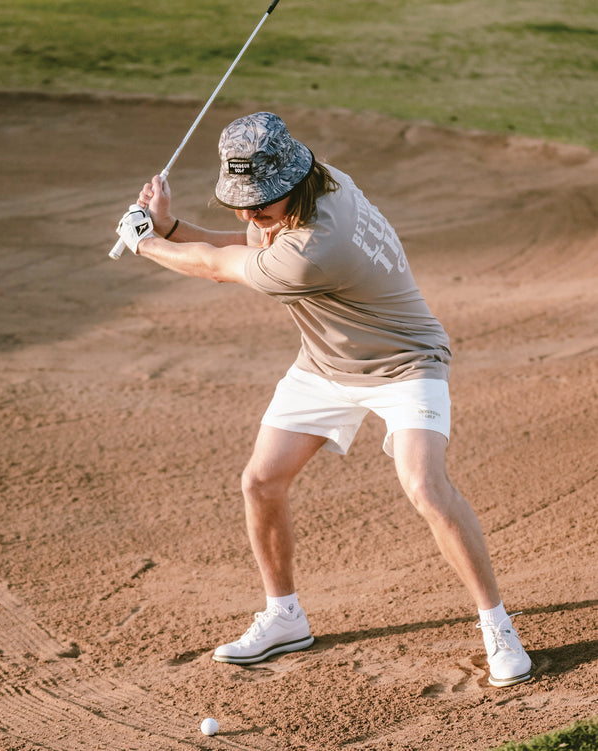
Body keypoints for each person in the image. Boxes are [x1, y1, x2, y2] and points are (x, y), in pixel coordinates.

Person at [116, 111, 532, 688]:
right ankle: (285, 616)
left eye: (259, 204)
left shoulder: (315, 252)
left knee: (425, 487)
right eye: (242, 199)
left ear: (290, 184)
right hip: (325, 364)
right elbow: (243, 242)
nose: (247, 213)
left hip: (404, 363)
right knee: (260, 481)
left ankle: (497, 626)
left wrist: (143, 241)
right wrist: (170, 228)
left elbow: (218, 267)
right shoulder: (321, 181)